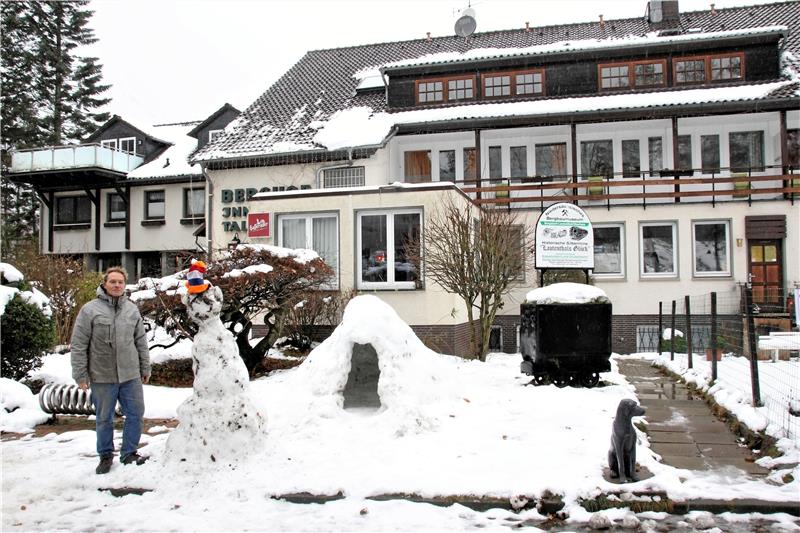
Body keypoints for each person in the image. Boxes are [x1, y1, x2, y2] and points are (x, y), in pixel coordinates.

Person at [71, 266, 151, 475]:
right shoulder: (89, 310)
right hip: (102, 374)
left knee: (135, 414)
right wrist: (80, 375)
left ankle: (129, 452)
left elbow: (140, 341)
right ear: (105, 284)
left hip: (130, 374)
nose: (117, 285)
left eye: (120, 282)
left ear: (125, 285)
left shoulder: (131, 309)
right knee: (104, 418)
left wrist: (145, 366)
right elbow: (79, 344)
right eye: (113, 282)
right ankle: (105, 455)